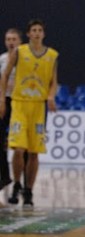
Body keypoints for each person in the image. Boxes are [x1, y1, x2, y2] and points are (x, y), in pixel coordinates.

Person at [0, 19, 59, 207]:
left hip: (38, 106)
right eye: (34, 30)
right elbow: (5, 74)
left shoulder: (52, 55)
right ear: (28, 34)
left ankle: (29, 190)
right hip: (19, 103)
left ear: (43, 34)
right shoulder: (20, 52)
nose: (37, 33)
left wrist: (51, 96)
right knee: (18, 149)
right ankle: (17, 183)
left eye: (40, 30)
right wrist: (2, 99)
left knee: (34, 152)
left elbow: (54, 82)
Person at [0, 28, 22, 190]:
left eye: (14, 39)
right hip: (4, 101)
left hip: (20, 102)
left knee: (21, 144)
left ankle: (20, 181)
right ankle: (4, 176)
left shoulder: (25, 59)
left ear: (20, 41)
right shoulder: (2, 59)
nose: (11, 42)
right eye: (8, 39)